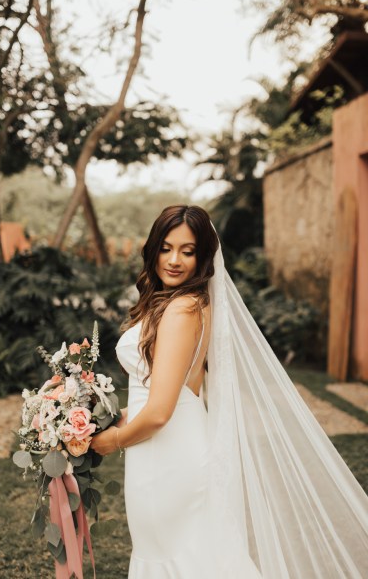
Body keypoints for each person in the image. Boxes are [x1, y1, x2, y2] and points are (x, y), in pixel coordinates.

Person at [91, 204, 368, 579]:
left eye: (187, 252)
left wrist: (114, 441)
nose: (174, 260)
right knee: (188, 552)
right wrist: (101, 420)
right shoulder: (188, 303)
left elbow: (159, 412)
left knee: (179, 558)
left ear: (203, 256)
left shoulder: (181, 309)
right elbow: (168, 394)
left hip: (168, 457)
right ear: (153, 248)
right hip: (166, 447)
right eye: (166, 248)